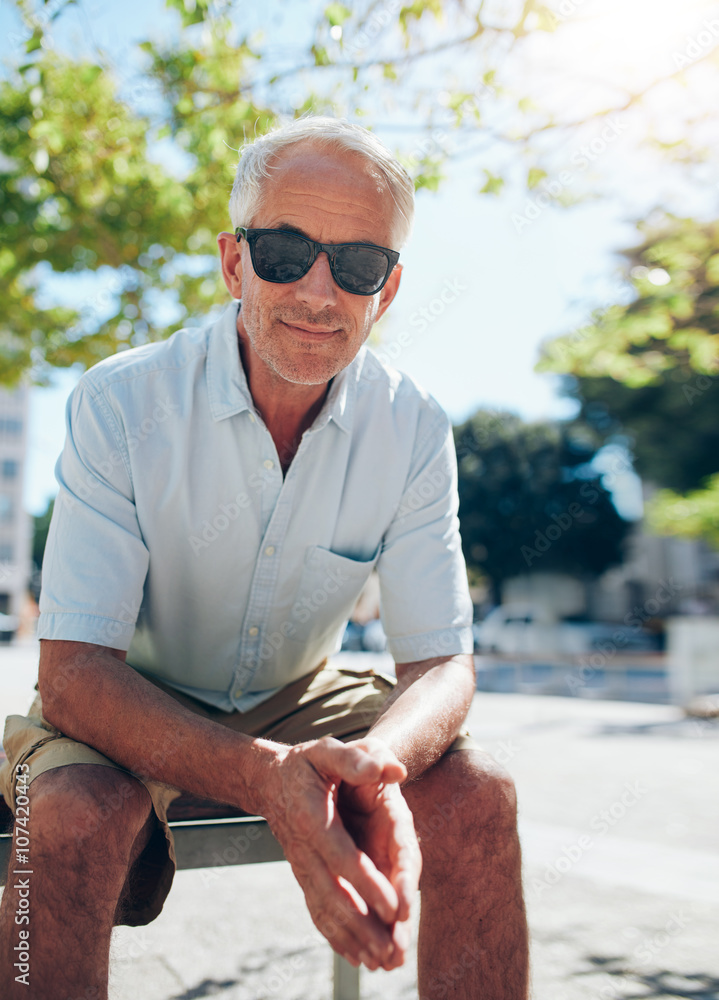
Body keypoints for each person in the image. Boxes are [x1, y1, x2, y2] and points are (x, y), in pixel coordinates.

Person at [0, 116, 528, 999]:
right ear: (233, 262)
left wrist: (376, 766)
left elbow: (442, 663)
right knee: (72, 818)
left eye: (355, 266)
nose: (319, 294)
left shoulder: (412, 426)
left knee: (481, 793)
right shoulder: (122, 401)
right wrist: (266, 778)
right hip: (129, 694)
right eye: (285, 251)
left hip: (301, 695)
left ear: (386, 291)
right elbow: (75, 674)